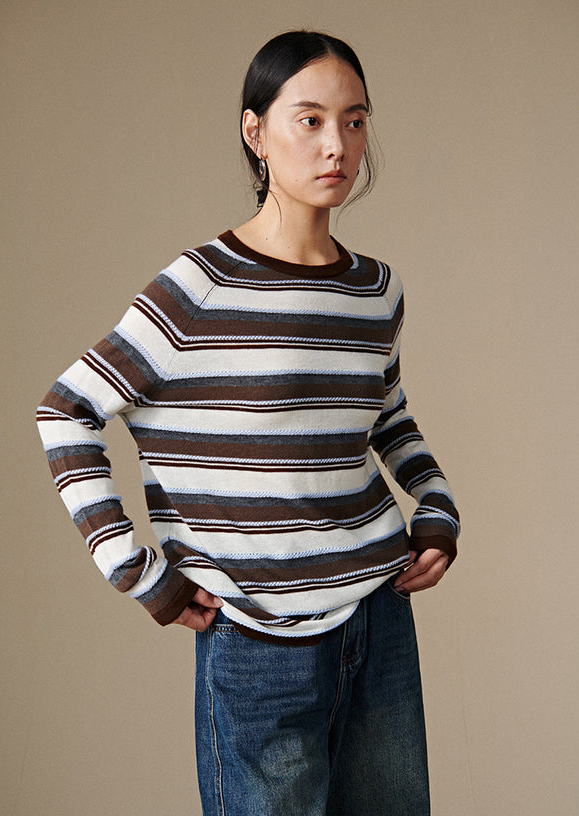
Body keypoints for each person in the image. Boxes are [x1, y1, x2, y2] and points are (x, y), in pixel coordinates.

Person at [37, 30, 460, 816]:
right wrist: (137, 572)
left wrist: (437, 509)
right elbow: (67, 409)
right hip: (258, 643)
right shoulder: (199, 285)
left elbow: (387, 416)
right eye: (311, 120)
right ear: (255, 132)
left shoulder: (376, 290)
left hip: (378, 620)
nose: (338, 145)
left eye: (355, 120)